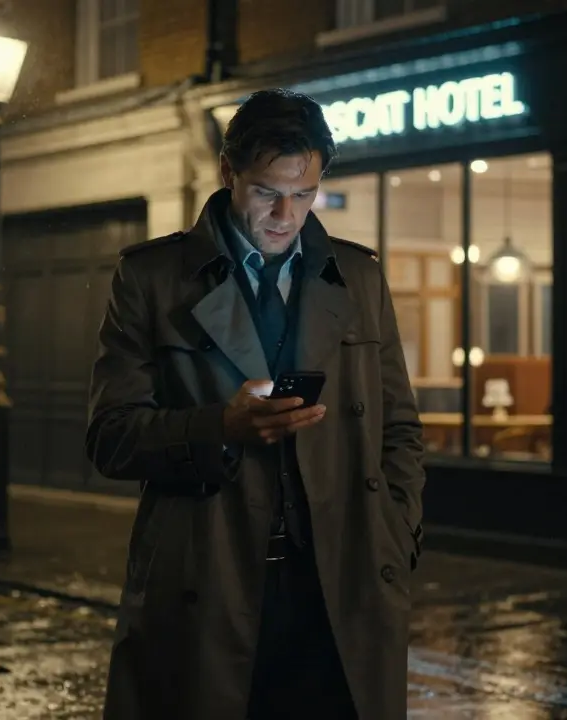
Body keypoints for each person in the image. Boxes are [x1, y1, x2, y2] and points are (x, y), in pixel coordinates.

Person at [85, 89, 425, 720]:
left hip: (340, 582)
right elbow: (111, 436)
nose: (286, 215)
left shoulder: (358, 277)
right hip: (208, 582)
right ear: (228, 173)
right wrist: (221, 426)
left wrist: (394, 534)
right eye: (268, 191)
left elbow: (399, 425)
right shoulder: (152, 278)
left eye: (305, 194)